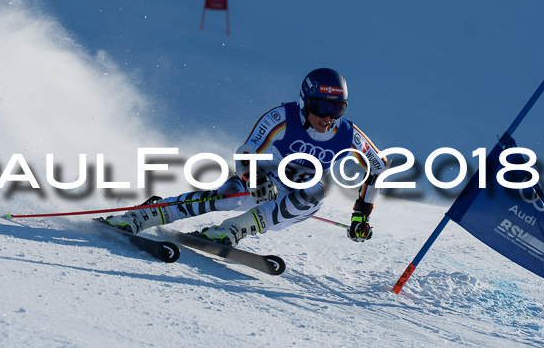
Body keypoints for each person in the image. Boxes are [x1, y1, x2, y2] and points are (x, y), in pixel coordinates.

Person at [106, 68, 387, 246]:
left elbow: (377, 166)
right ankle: (143, 216)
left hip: (299, 196)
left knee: (317, 191)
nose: (327, 118)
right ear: (305, 100)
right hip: (265, 182)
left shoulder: (349, 134)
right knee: (228, 195)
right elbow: (246, 152)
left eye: (337, 109)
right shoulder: (281, 117)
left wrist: (361, 215)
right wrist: (253, 178)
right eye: (321, 107)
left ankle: (231, 231)